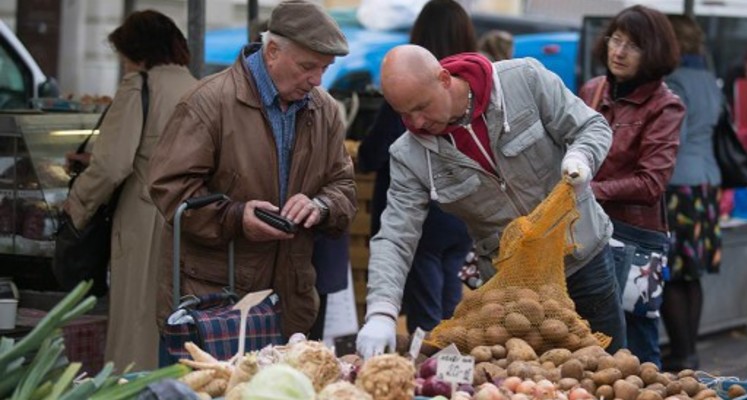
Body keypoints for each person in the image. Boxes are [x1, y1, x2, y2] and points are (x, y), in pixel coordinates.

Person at [356, 44, 627, 358]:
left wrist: (582, 155)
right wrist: (382, 310)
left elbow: (590, 126)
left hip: (584, 256)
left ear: (444, 79)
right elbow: (395, 236)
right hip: (513, 288)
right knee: (531, 383)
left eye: (421, 106)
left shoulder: (523, 80)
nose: (416, 122)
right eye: (404, 113)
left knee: (611, 370)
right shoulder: (409, 155)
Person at [148, 0, 357, 356]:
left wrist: (320, 206)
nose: (317, 80)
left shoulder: (324, 110)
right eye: (308, 66)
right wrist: (236, 218)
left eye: (325, 68)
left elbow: (343, 186)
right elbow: (170, 189)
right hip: (215, 306)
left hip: (288, 305)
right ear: (272, 51)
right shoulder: (207, 103)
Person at [61, 10, 197, 371]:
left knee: (137, 322)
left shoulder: (140, 86)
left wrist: (76, 205)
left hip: (144, 219)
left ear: (136, 51)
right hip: (190, 220)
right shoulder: (200, 88)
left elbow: (113, 165)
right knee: (176, 319)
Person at [358, 0, 474, 334]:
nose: (418, 122)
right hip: (460, 217)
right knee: (449, 305)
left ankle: (430, 368)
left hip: (421, 222)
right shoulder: (472, 96)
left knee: (425, 316)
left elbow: (373, 153)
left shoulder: (407, 94)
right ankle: (450, 368)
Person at [579, 5, 684, 367]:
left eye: (633, 45)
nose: (619, 52)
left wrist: (590, 189)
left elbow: (651, 183)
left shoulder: (665, 106)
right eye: (616, 40)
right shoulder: (592, 90)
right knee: (587, 341)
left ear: (652, 52)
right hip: (587, 235)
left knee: (638, 348)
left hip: (634, 242)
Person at [661, 15, 723, 372]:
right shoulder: (708, 81)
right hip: (707, 182)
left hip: (678, 185)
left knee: (671, 270)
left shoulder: (674, 83)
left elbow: (674, 140)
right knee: (691, 272)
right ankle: (689, 351)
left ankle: (683, 354)